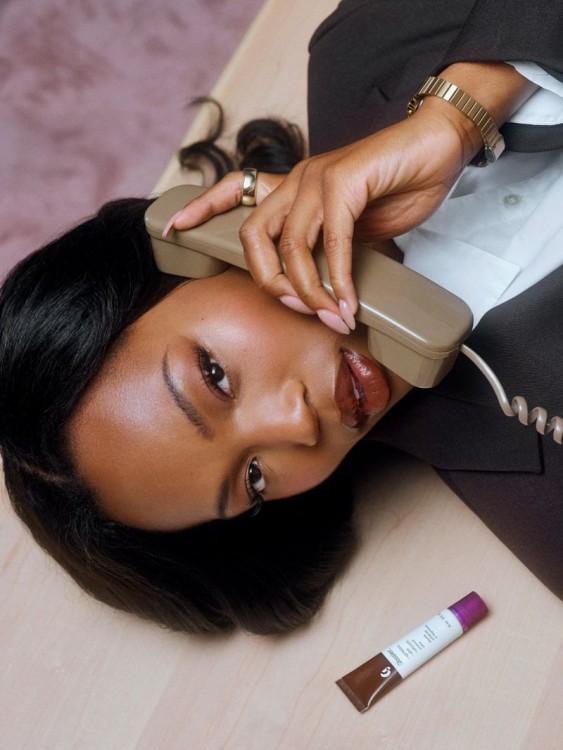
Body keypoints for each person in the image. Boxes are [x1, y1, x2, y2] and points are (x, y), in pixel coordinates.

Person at [1, 0, 562, 636]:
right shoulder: (549, 509)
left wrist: (463, 111)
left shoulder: (364, 43)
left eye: (213, 376)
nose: (297, 427)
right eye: (254, 479)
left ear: (200, 242)